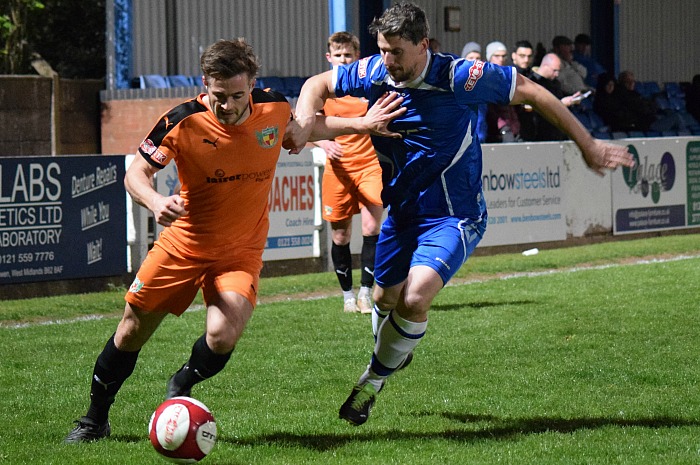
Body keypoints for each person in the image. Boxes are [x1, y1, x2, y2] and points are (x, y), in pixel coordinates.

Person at [285, 1, 634, 427]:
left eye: (396, 52)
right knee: (383, 298)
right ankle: (391, 351)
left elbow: (534, 92)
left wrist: (587, 143)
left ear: (422, 45)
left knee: (414, 297)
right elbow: (316, 83)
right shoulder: (374, 70)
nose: (386, 61)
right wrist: (303, 122)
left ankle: (370, 383)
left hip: (455, 214)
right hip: (403, 212)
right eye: (381, 50)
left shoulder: (459, 77)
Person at [63, 37, 403, 444]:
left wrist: (360, 125)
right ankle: (95, 419)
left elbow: (306, 128)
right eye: (218, 95)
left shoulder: (274, 106)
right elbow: (136, 173)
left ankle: (181, 386)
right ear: (204, 83)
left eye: (237, 95)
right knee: (131, 331)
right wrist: (154, 201)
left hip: (240, 253)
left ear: (253, 84)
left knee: (223, 336)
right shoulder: (181, 120)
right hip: (183, 245)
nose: (227, 105)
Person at [314, 32, 385, 314]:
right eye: (339, 55)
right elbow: (302, 125)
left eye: (349, 55)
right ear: (329, 57)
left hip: (370, 165)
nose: (344, 60)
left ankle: (366, 292)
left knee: (371, 228)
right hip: (339, 170)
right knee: (341, 236)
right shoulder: (323, 88)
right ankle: (347, 296)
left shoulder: (368, 86)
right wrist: (323, 142)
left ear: (358, 57)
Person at [521, 53, 582, 141]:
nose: (557, 74)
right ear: (545, 66)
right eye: (554, 70)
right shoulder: (531, 82)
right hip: (538, 133)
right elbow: (530, 107)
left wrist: (572, 100)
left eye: (558, 71)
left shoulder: (555, 83)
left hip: (556, 132)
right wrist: (560, 104)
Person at [486, 40, 522, 142]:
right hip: (498, 130)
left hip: (513, 127)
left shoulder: (508, 76)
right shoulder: (486, 78)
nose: (501, 59)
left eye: (503, 56)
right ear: (490, 57)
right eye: (496, 56)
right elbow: (490, 108)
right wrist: (503, 127)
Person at [460, 41, 487, 142]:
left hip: (481, 138)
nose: (475, 61)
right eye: (471, 58)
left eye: (478, 58)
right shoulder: (457, 82)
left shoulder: (484, 84)